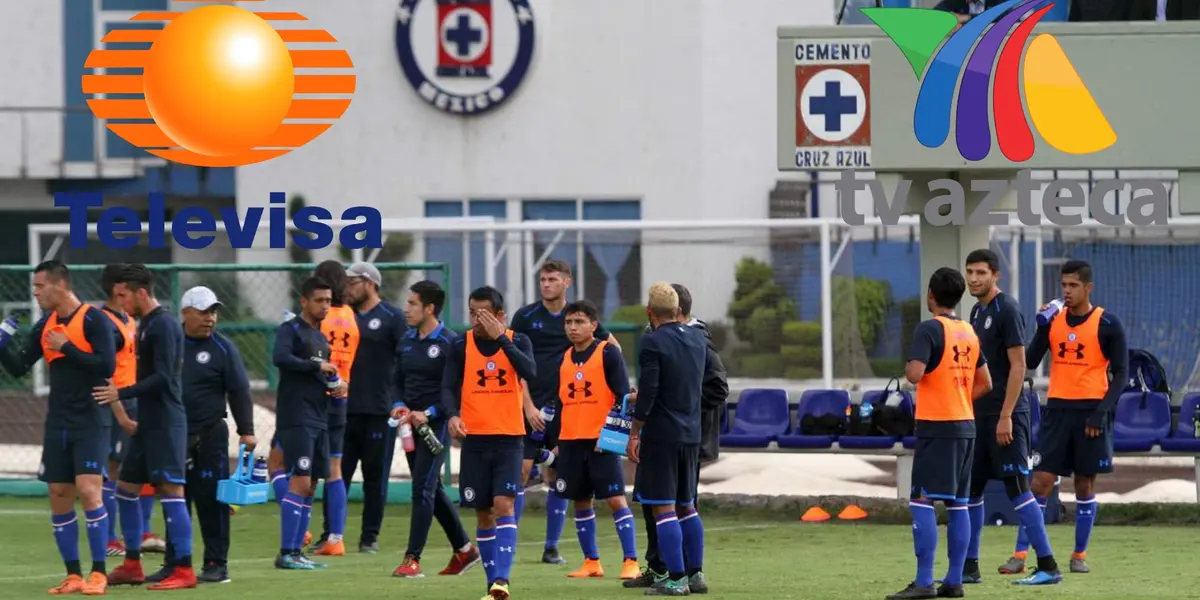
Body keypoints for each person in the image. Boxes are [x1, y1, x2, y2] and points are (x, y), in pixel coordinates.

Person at [0, 261, 119, 595]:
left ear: (59, 285)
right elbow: (20, 366)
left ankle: (98, 573)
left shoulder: (94, 320)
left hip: (90, 421)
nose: (35, 293)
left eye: (39, 286)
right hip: (58, 423)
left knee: (89, 489)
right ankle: (73, 575)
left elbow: (106, 365)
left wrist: (66, 346)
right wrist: (3, 344)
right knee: (59, 494)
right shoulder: (45, 325)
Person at [887, 267, 992, 600]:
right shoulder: (969, 331)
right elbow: (986, 383)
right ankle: (954, 581)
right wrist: (959, 396)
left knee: (921, 500)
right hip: (966, 425)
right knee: (959, 504)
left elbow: (915, 374)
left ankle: (923, 582)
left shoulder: (929, 329)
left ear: (930, 294)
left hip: (938, 425)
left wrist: (909, 371)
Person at [509, 259, 619, 565]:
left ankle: (551, 547)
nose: (546, 284)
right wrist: (526, 404)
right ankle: (510, 543)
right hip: (530, 407)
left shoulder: (577, 318)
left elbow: (613, 349)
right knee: (519, 471)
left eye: (552, 279)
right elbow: (512, 362)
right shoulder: (526, 317)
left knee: (558, 476)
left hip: (566, 410)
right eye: (543, 279)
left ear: (566, 282)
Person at [962, 250, 1061, 585]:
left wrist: (1006, 415)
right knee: (971, 491)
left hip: (1007, 416)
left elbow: (1020, 366)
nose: (974, 278)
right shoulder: (976, 311)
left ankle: (1048, 566)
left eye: (980, 272)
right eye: (970, 272)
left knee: (1018, 488)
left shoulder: (1008, 309)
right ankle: (969, 566)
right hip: (979, 417)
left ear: (996, 275)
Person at [97, 264, 196, 590]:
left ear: (141, 292)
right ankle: (132, 564)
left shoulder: (164, 324)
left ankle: (183, 569)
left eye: (123, 295)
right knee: (126, 487)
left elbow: (164, 378)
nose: (120, 301)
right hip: (148, 422)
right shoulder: (144, 324)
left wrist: (121, 394)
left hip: (167, 422)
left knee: (171, 490)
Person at [1025, 259, 1127, 575]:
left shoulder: (1108, 323)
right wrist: (1042, 328)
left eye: (1073, 286)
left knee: (1084, 484)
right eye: (1064, 285)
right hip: (1056, 410)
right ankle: (1022, 553)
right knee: (1039, 481)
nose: (1067, 292)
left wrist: (1100, 413)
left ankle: (1079, 554)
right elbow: (1029, 360)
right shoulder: (1053, 320)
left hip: (1090, 413)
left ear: (1087, 287)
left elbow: (1121, 375)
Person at [626, 283, 728, 589]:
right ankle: (696, 575)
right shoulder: (698, 339)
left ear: (650, 312)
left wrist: (635, 430)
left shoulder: (652, 342)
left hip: (662, 435)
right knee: (687, 505)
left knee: (663, 507)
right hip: (692, 435)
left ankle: (675, 579)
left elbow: (652, 391)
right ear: (678, 310)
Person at [443, 286, 537, 600]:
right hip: (474, 442)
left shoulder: (518, 340)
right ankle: (491, 585)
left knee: (503, 505)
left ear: (499, 315)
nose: (476, 319)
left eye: (482, 313)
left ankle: (502, 580)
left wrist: (502, 338)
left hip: (509, 438)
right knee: (483, 513)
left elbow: (529, 371)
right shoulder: (460, 344)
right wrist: (452, 415)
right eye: (472, 312)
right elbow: (447, 386)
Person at [390, 280, 478, 578]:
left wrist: (429, 413)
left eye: (413, 303)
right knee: (431, 487)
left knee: (422, 489)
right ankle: (465, 550)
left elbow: (455, 389)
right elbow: (398, 381)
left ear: (429, 308)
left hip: (435, 426)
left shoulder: (450, 343)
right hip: (408, 426)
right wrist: (399, 404)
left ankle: (412, 559)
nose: (407, 308)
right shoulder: (407, 340)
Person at [170, 286, 257, 583]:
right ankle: (175, 563)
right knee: (175, 501)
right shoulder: (170, 343)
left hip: (210, 437)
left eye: (214, 312)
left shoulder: (223, 348)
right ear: (185, 313)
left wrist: (247, 430)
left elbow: (239, 391)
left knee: (211, 502)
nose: (210, 318)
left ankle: (216, 564)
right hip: (173, 435)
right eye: (204, 312)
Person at [555, 300, 640, 580]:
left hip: (600, 441)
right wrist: (554, 440)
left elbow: (622, 398)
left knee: (616, 499)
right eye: (568, 322)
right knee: (580, 500)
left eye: (579, 322)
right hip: (570, 441)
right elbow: (560, 402)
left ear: (593, 325)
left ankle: (631, 561)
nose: (573, 327)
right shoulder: (564, 357)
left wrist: (613, 438)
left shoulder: (608, 353)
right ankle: (591, 562)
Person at [271, 276, 345, 570]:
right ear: (304, 301)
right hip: (296, 416)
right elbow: (280, 358)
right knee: (299, 481)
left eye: (328, 300)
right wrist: (317, 366)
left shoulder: (322, 338)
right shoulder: (291, 330)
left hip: (319, 417)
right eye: (319, 300)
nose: (325, 306)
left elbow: (318, 374)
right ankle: (287, 552)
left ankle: (297, 552)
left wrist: (336, 385)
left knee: (312, 483)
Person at [334, 262, 408, 554]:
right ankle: (332, 534)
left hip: (379, 410)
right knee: (338, 474)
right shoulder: (342, 317)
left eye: (352, 282)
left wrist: (399, 399)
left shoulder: (392, 318)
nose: (347, 288)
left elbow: (404, 361)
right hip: (343, 408)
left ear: (369, 283)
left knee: (375, 477)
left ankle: (369, 538)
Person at [308, 261, 357, 557]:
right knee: (334, 469)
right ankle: (335, 538)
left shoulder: (319, 318)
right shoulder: (351, 317)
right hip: (342, 395)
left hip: (317, 397)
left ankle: (300, 529)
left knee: (296, 465)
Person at [97, 263, 140, 559]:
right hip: (115, 402)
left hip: (131, 397)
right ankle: (109, 537)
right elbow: (104, 372)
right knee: (111, 469)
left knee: (129, 468)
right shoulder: (104, 323)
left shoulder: (127, 318)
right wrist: (120, 412)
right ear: (117, 288)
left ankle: (134, 533)